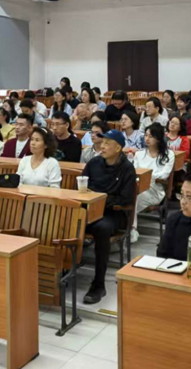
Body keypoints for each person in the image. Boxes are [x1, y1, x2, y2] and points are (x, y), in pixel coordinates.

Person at [82, 130, 136, 304]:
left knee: (102, 228)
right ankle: (63, 270)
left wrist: (101, 198)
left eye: (107, 143)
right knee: (66, 220)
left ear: (118, 148)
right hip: (89, 209)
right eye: (102, 143)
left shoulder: (127, 168)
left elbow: (126, 199)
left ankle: (99, 284)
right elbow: (82, 185)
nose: (102, 146)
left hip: (114, 214)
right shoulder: (94, 163)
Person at [131, 124, 174, 243]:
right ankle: (131, 228)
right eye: (145, 135)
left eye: (151, 136)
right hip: (138, 186)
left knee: (132, 198)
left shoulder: (169, 154)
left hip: (155, 190)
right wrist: (148, 176)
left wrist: (147, 176)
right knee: (130, 195)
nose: (147, 139)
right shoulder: (139, 154)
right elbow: (134, 172)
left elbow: (164, 174)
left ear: (159, 138)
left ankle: (131, 228)